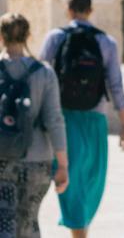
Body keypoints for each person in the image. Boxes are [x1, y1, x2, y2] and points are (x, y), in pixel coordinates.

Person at [40, 0, 124, 238]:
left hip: (63, 119)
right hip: (95, 120)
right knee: (91, 182)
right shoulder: (107, 42)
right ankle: (80, 234)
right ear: (91, 11)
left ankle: (78, 232)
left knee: (73, 183)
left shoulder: (55, 38)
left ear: (68, 9)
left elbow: (41, 80)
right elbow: (116, 87)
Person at [0, 13, 69, 238]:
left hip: (3, 159)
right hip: (37, 160)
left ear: (1, 36)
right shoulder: (44, 73)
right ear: (29, 35)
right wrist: (62, 165)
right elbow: (54, 120)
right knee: (29, 221)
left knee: (4, 222)